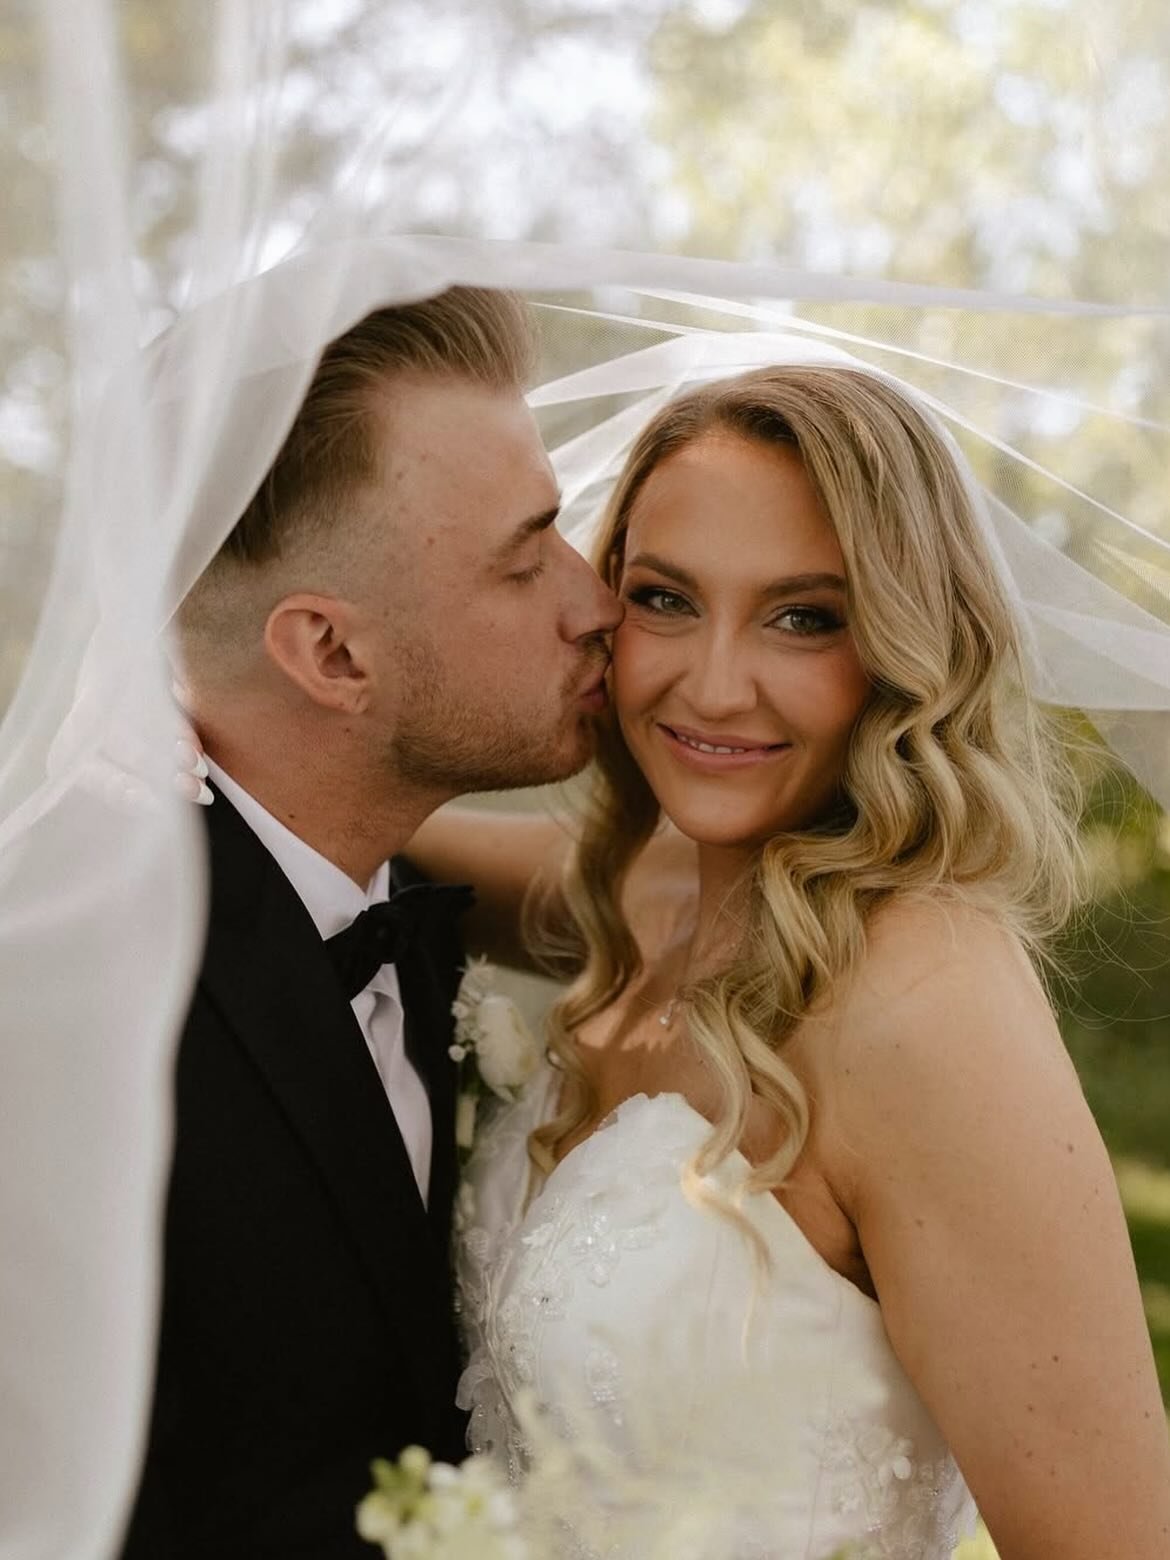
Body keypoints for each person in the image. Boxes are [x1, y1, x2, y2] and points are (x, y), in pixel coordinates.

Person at [408, 364, 1170, 1559]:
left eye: (804, 616)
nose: (711, 685)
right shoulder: (647, 891)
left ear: (906, 649)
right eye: (664, 599)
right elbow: (364, 822)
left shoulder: (924, 998)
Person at [121, 287, 621, 1559]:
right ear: (333, 657)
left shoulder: (396, 904)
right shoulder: (80, 1001)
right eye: (525, 559)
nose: (595, 602)